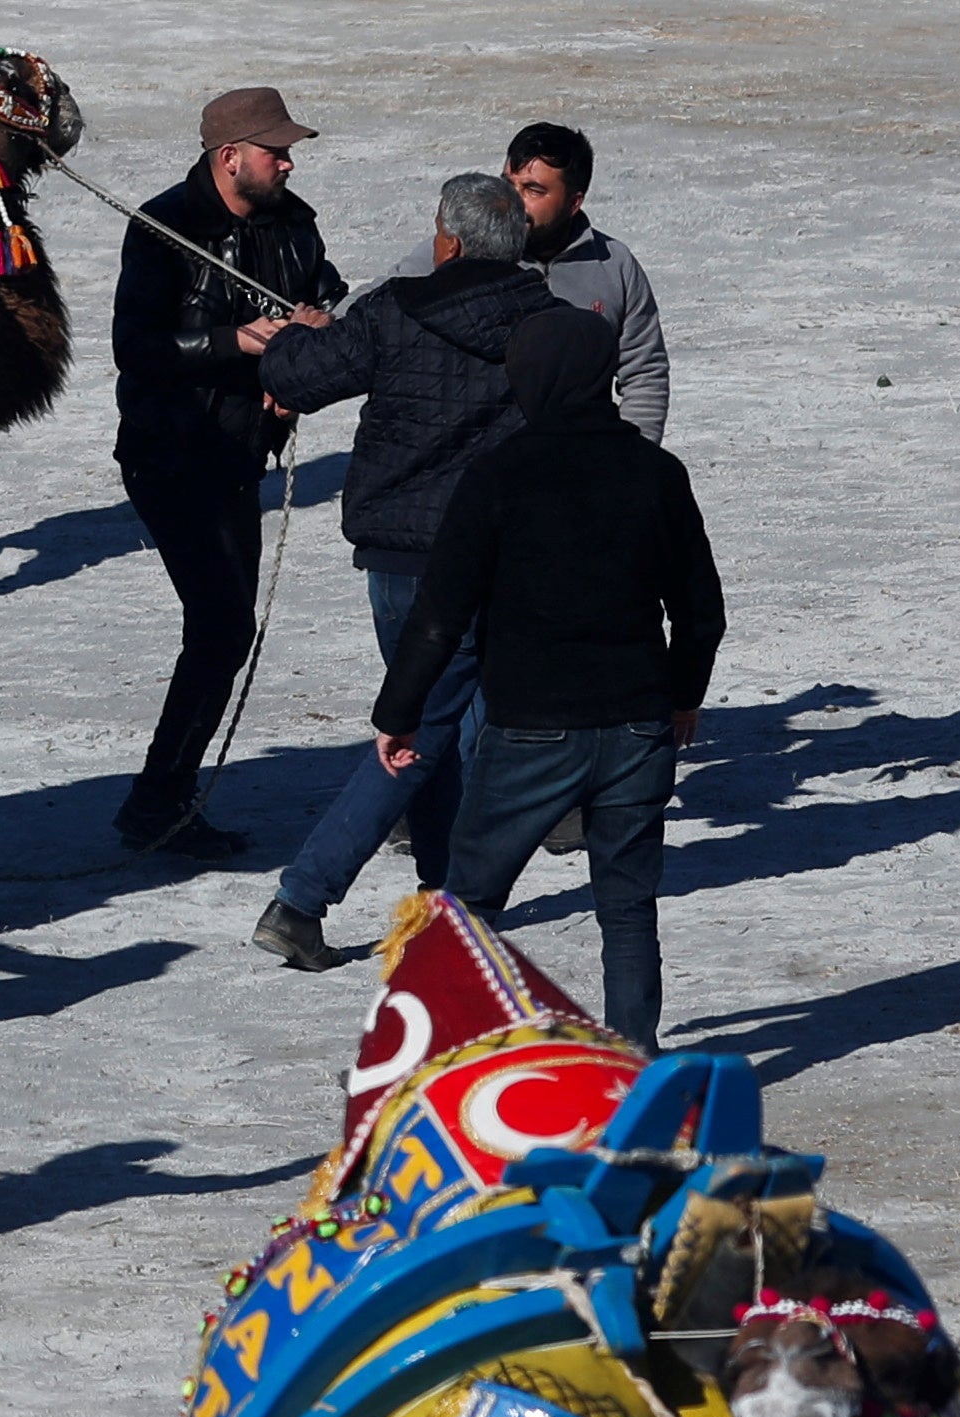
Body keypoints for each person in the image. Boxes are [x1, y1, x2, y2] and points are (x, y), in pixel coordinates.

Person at [239, 170, 555, 970]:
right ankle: (308, 898)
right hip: (503, 554)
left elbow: (298, 379)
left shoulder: (395, 308)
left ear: (445, 239)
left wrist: (296, 337)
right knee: (429, 728)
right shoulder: (549, 326)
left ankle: (431, 897)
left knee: (425, 720)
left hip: (399, 557)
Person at [388, 306, 725, 1044]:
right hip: (639, 724)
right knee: (628, 907)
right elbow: (701, 611)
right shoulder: (657, 474)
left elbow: (440, 613)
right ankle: (635, 1063)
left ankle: (452, 1055)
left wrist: (400, 712)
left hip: (532, 731)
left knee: (470, 904)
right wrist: (684, 696)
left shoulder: (499, 477)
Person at [109, 86, 346, 859]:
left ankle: (161, 800)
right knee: (220, 626)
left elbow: (326, 294)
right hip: (170, 454)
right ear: (229, 157)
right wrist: (230, 345)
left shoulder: (293, 222)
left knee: (222, 631)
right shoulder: (164, 227)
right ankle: (157, 803)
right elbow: (135, 347)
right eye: (275, 149)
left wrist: (312, 334)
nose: (287, 161)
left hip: (242, 453)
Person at [503, 122, 670, 439]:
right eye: (508, 185)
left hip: (581, 462)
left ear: (574, 201)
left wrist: (631, 460)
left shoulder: (614, 265)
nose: (514, 202)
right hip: (490, 469)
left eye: (533, 190)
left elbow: (644, 373)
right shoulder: (466, 253)